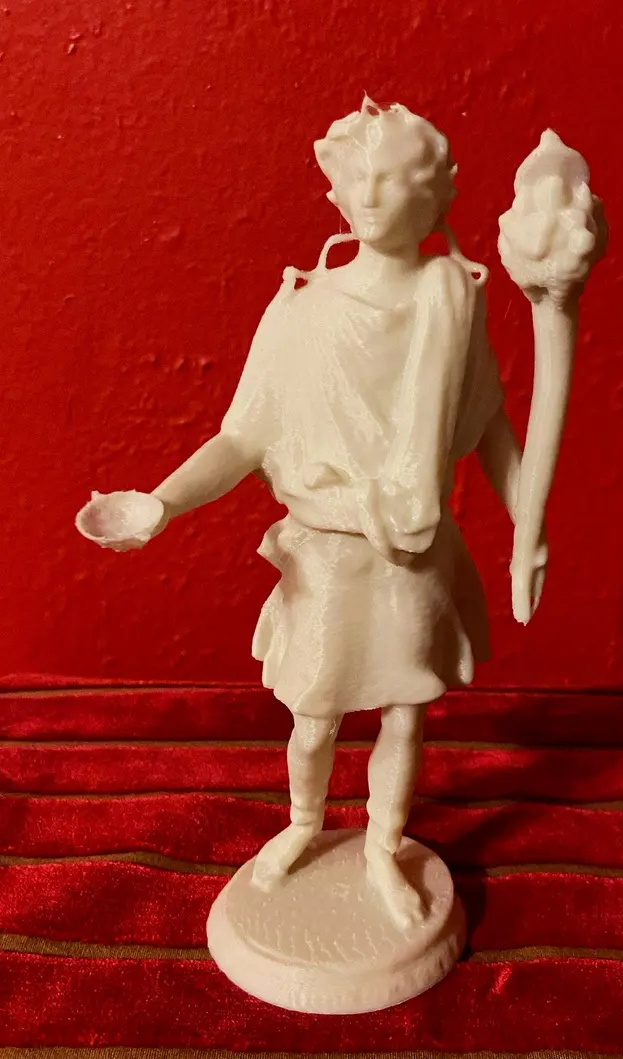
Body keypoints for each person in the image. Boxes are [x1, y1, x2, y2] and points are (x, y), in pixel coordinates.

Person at [83, 98, 534, 929]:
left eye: (397, 180)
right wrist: (163, 500)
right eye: (362, 178)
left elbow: (491, 426)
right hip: (326, 553)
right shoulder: (302, 307)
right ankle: (301, 823)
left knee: (405, 711)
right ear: (337, 190)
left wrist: (527, 522)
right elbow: (241, 435)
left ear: (435, 197)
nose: (375, 196)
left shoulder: (450, 301)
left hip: (410, 555)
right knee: (314, 714)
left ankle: (383, 845)